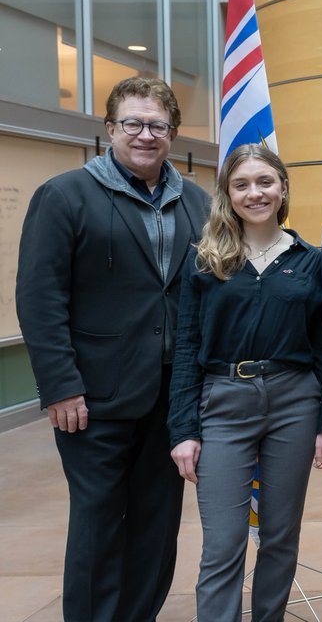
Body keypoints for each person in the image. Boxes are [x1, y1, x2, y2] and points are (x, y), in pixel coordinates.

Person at [14, 76, 209, 621]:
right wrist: (60, 385)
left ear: (172, 133)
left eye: (158, 125)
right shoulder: (64, 195)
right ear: (109, 128)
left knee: (157, 522)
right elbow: (39, 297)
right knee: (99, 523)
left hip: (172, 399)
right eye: (133, 123)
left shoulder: (195, 201)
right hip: (92, 400)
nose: (146, 135)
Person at [166, 144, 322, 621]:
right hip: (222, 403)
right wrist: (183, 430)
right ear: (227, 193)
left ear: (283, 188)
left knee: (281, 537)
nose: (255, 193)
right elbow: (186, 346)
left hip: (295, 403)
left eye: (265, 182)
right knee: (223, 542)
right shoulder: (205, 259)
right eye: (241, 184)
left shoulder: (312, 260)